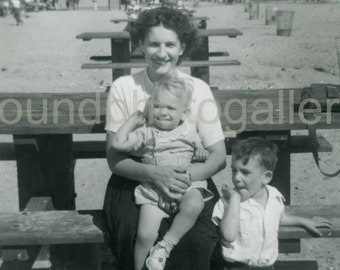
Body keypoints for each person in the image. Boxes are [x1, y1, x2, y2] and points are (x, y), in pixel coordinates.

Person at [103, 7, 226, 270]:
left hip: (189, 177)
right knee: (132, 231)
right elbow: (114, 158)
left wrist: (180, 179)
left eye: (170, 44)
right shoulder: (125, 87)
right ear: (140, 46)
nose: (162, 53)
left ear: (182, 47)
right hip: (134, 179)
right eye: (153, 44)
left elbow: (218, 155)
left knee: (200, 236)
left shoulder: (198, 89)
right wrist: (156, 175)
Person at [112, 78, 214, 270]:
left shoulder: (190, 131)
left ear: (184, 113)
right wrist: (131, 122)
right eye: (157, 106)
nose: (163, 112)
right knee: (144, 235)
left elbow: (202, 150)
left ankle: (165, 247)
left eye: (171, 108)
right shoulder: (147, 132)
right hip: (154, 190)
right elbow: (118, 144)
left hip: (186, 186)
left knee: (195, 204)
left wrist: (201, 152)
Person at [212, 137, 332, 270]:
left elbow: (277, 217)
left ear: (266, 177)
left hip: (267, 266)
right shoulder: (228, 202)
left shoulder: (274, 196)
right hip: (237, 266)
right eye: (234, 170)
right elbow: (228, 235)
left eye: (245, 172)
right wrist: (235, 199)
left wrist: (304, 221)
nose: (236, 178)